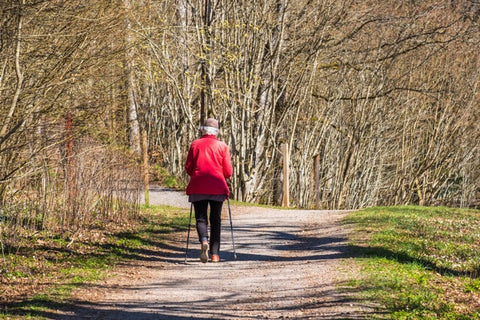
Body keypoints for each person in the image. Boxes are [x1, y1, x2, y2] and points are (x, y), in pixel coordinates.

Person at [185, 118, 233, 263]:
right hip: (217, 187)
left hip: (198, 186)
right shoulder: (222, 146)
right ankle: (215, 255)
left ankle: (204, 241)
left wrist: (196, 174)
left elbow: (188, 167)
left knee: (201, 218)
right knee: (216, 219)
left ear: (203, 130)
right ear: (217, 131)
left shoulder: (195, 145)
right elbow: (228, 171)